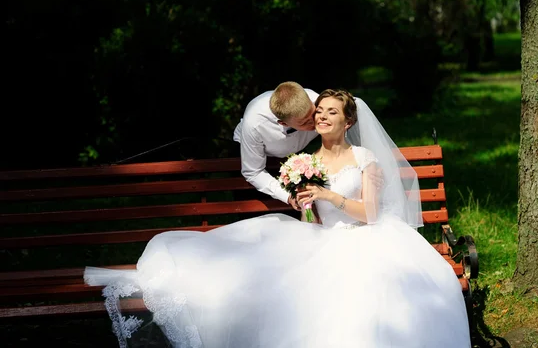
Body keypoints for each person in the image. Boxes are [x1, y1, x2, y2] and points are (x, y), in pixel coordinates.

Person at [84, 89, 471, 348]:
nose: (320, 118)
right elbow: (311, 219)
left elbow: (370, 213)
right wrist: (304, 202)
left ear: (347, 122)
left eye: (329, 113)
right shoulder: (307, 162)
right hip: (323, 238)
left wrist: (328, 194)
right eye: (319, 113)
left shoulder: (364, 159)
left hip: (366, 236)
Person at [233, 81, 319, 210]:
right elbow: (253, 172)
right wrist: (288, 196)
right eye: (305, 122)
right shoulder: (254, 124)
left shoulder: (320, 102)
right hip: (254, 150)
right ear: (283, 123)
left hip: (298, 156)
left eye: (313, 114)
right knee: (256, 210)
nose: (314, 123)